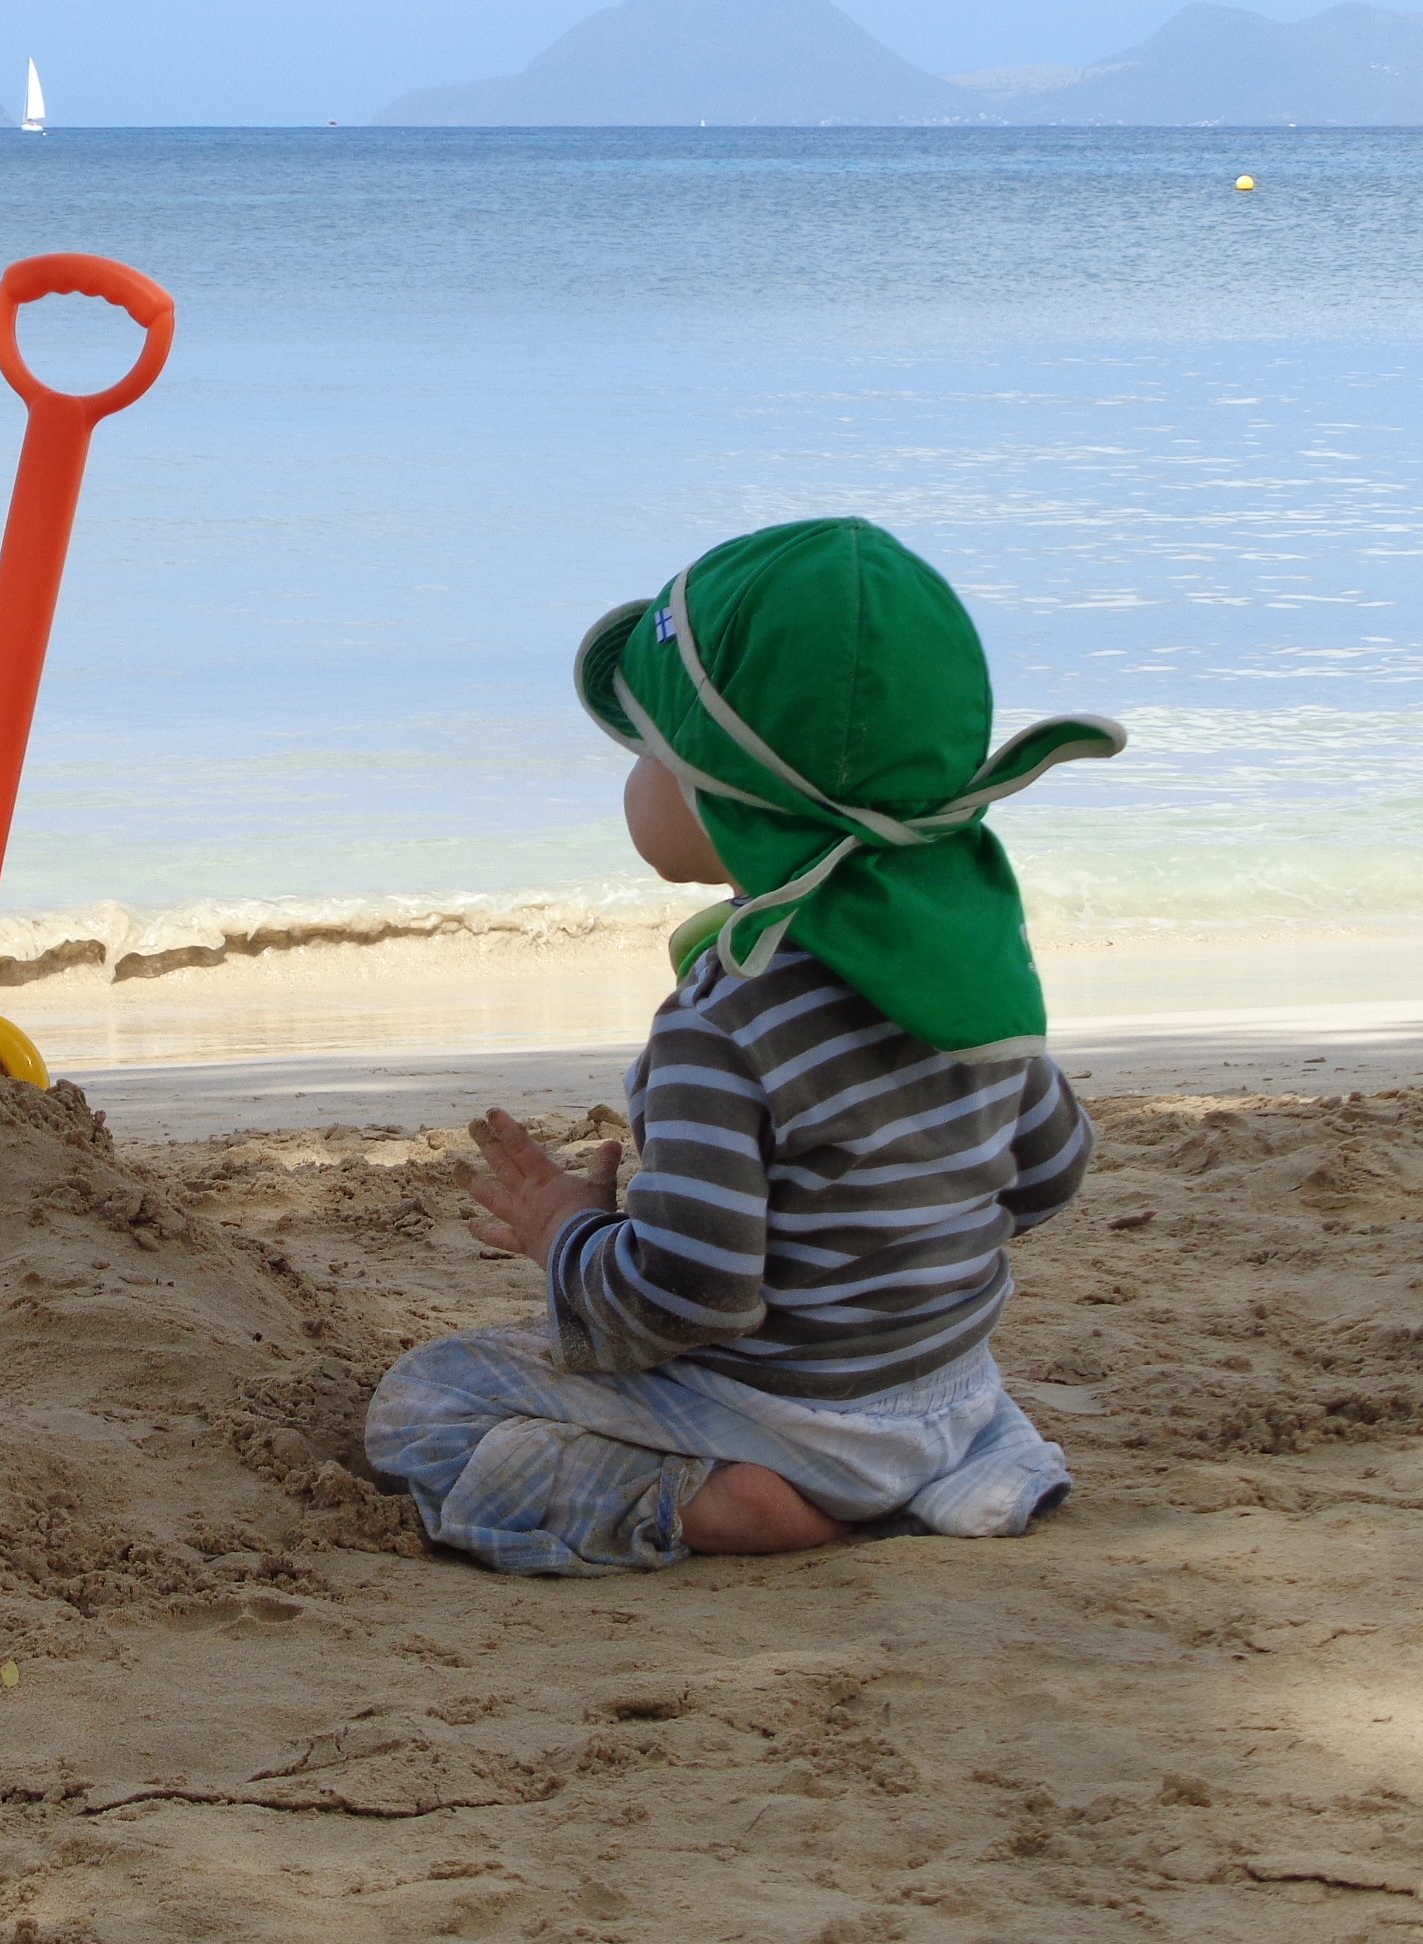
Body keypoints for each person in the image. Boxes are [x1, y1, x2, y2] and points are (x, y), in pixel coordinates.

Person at [364, 516, 1127, 1572]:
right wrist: (896, 1248)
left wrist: (567, 1238)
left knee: (425, 1403)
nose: (633, 776)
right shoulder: (968, 968)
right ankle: (950, 1467)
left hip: (786, 1415)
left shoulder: (724, 1021)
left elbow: (690, 1297)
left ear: (726, 796)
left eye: (648, 750)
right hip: (950, 1394)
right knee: (919, 1394)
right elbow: (1048, 1175)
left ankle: (723, 1505)